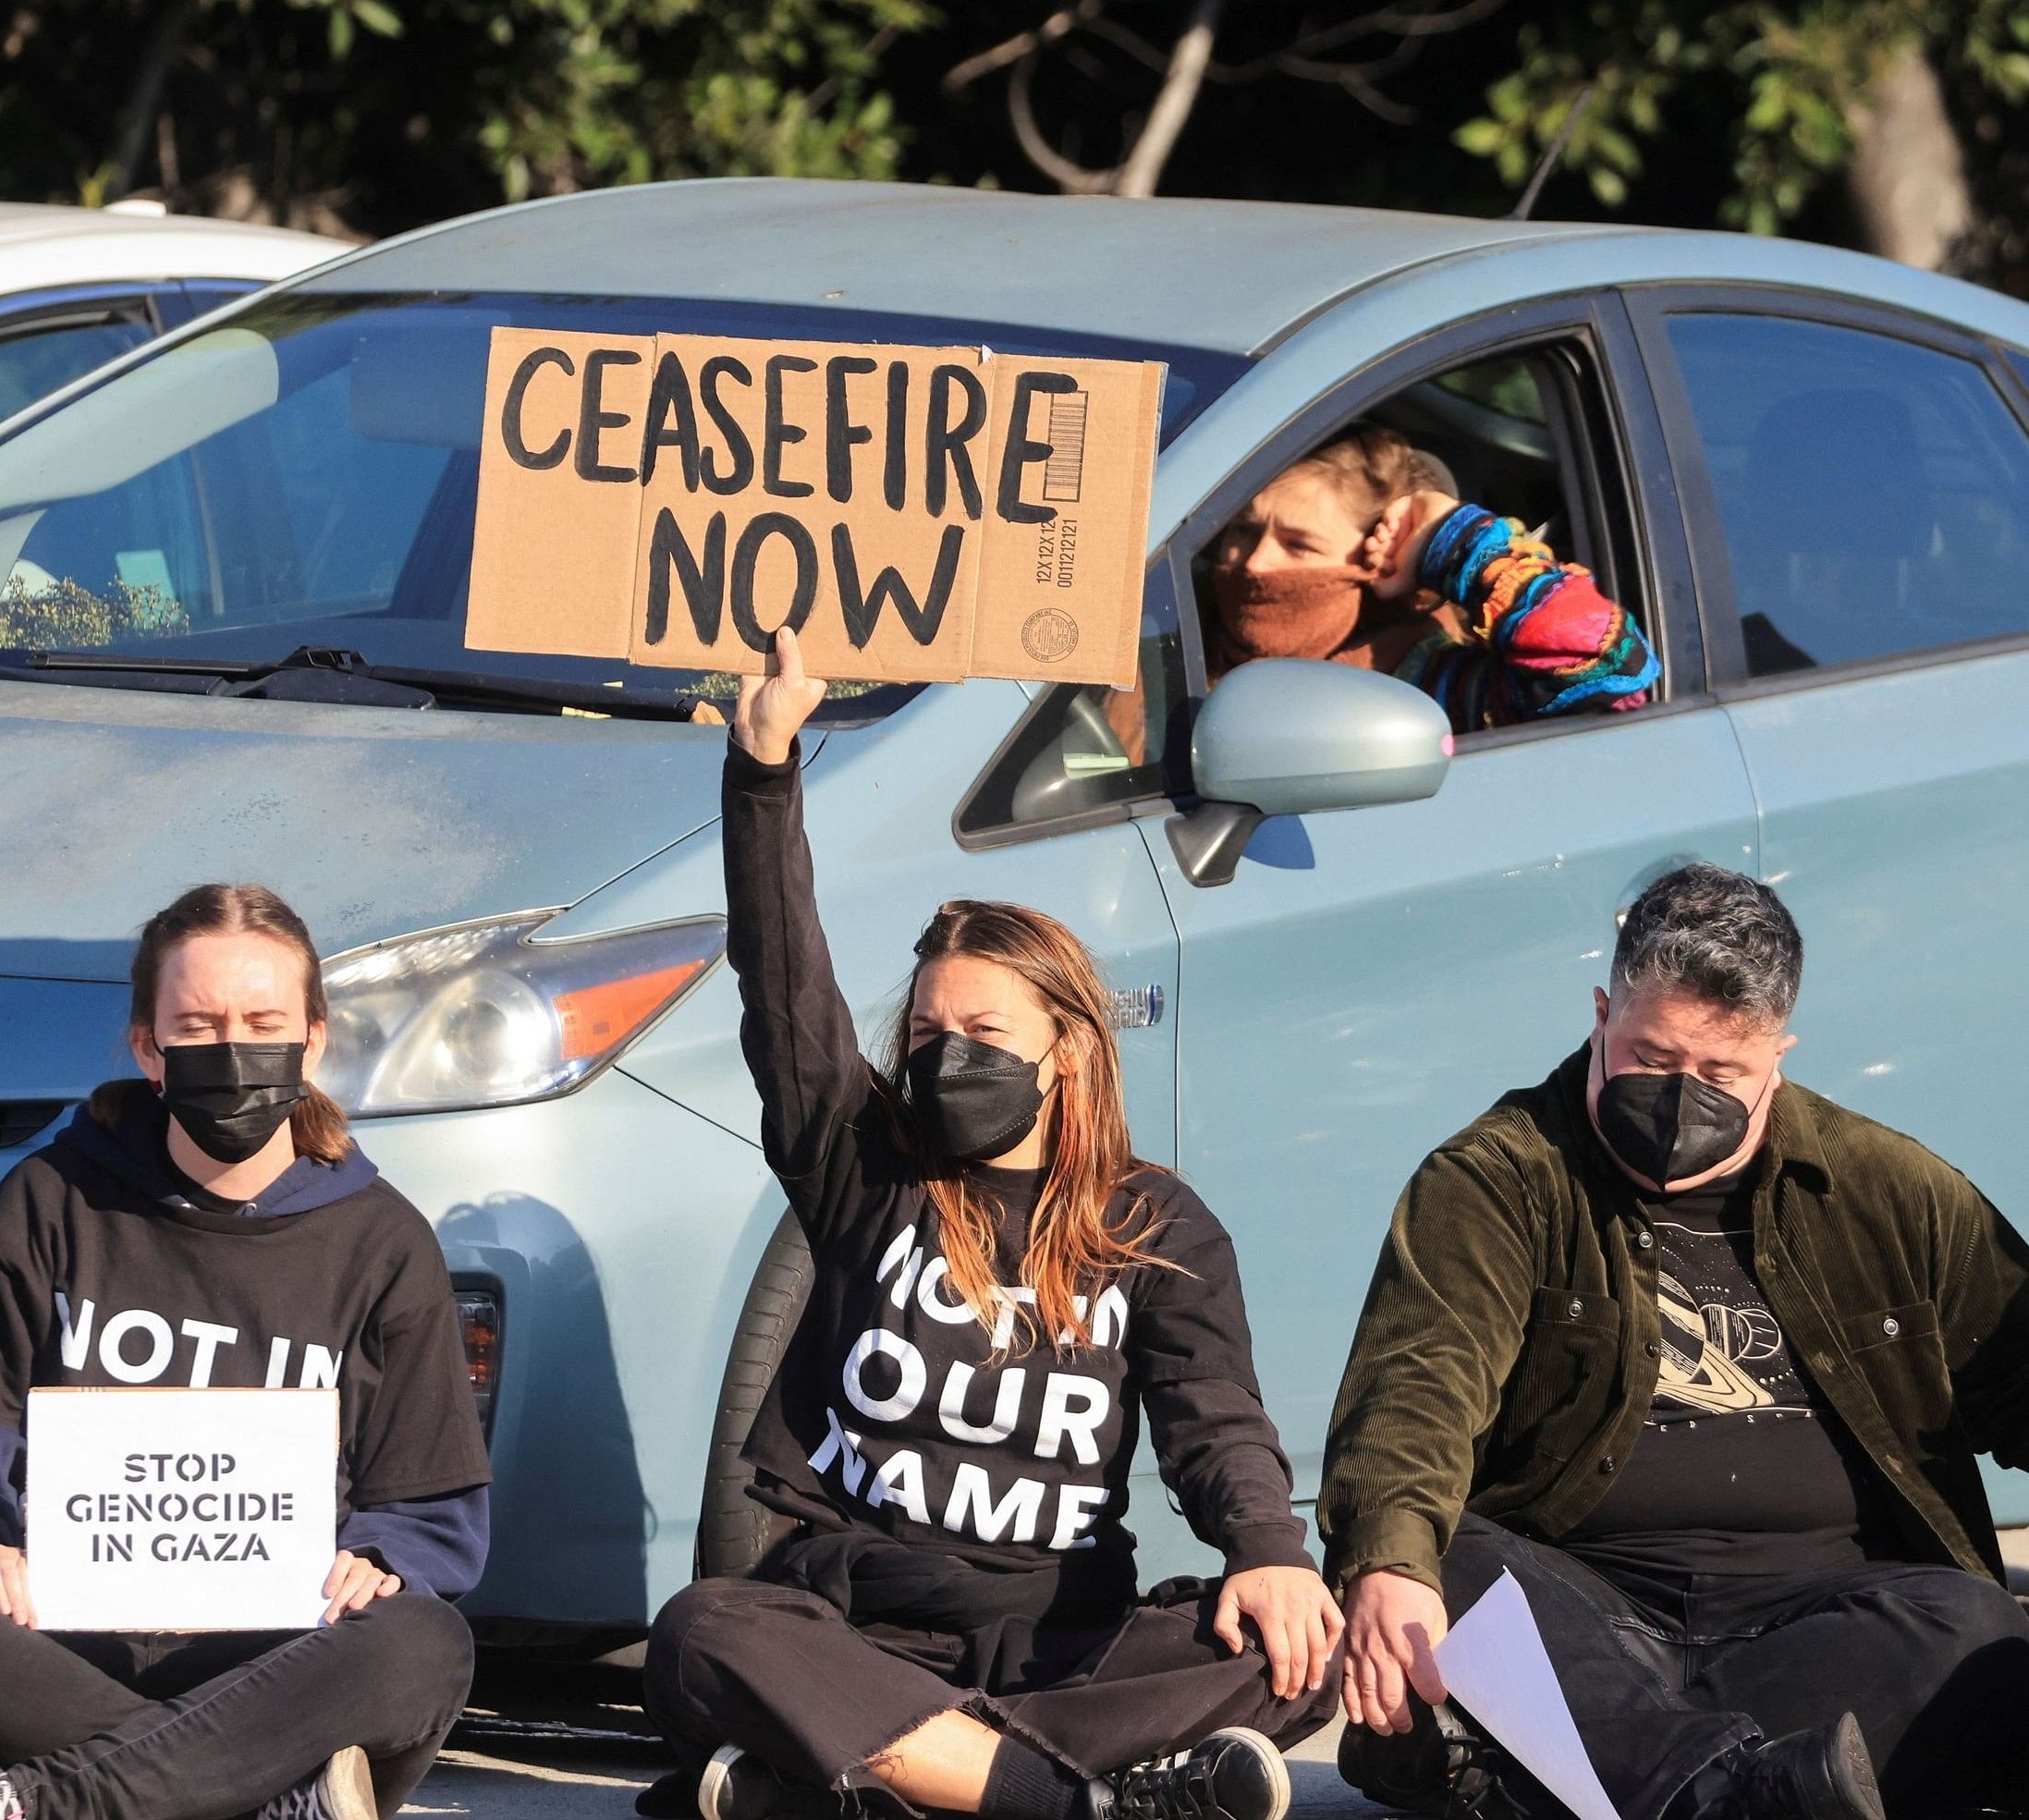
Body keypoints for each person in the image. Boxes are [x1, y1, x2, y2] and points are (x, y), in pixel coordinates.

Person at [642, 628, 1338, 1820]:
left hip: (1057, 1628)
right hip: (850, 1617)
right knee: (707, 1631)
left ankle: (867, 1778)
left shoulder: (1154, 1221)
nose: (948, 1059)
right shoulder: (867, 1170)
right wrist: (762, 774)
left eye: (986, 1037)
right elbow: (783, 989)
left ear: (1065, 1051)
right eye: (925, 1037)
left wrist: (1268, 1549)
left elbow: (1210, 1417)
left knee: (1277, 1651)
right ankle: (1067, 1797)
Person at [1322, 864, 2029, 1820]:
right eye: (1650, 1059)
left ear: (1777, 1052)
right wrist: (1389, 1567)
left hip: (1822, 1617)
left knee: (1972, 1629)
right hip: (1587, 1611)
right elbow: (1417, 1390)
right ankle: (1733, 1793)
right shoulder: (1494, 1177)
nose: (1677, 1096)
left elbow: (2018, 1376)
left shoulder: (1890, 1189)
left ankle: (1606, 1775)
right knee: (1435, 1565)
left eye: (1719, 1074)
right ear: (1601, 1009)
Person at [0, 883, 491, 1820]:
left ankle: (39, 1801)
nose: (232, 1049)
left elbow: (429, 1501)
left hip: (278, 1646)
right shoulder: (48, 1200)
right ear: (147, 1046)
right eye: (197, 1023)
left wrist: (380, 1559)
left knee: (424, 1644)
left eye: (262, 1020)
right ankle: (265, 1796)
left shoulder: (382, 1241)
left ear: (312, 1039)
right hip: (58, 1632)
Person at [1204, 425, 1656, 733]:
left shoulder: (1420, 688)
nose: (1255, 564)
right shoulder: (1170, 615)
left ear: (1380, 565)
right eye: (1244, 531)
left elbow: (1609, 667)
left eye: (1298, 545)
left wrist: (1450, 540)